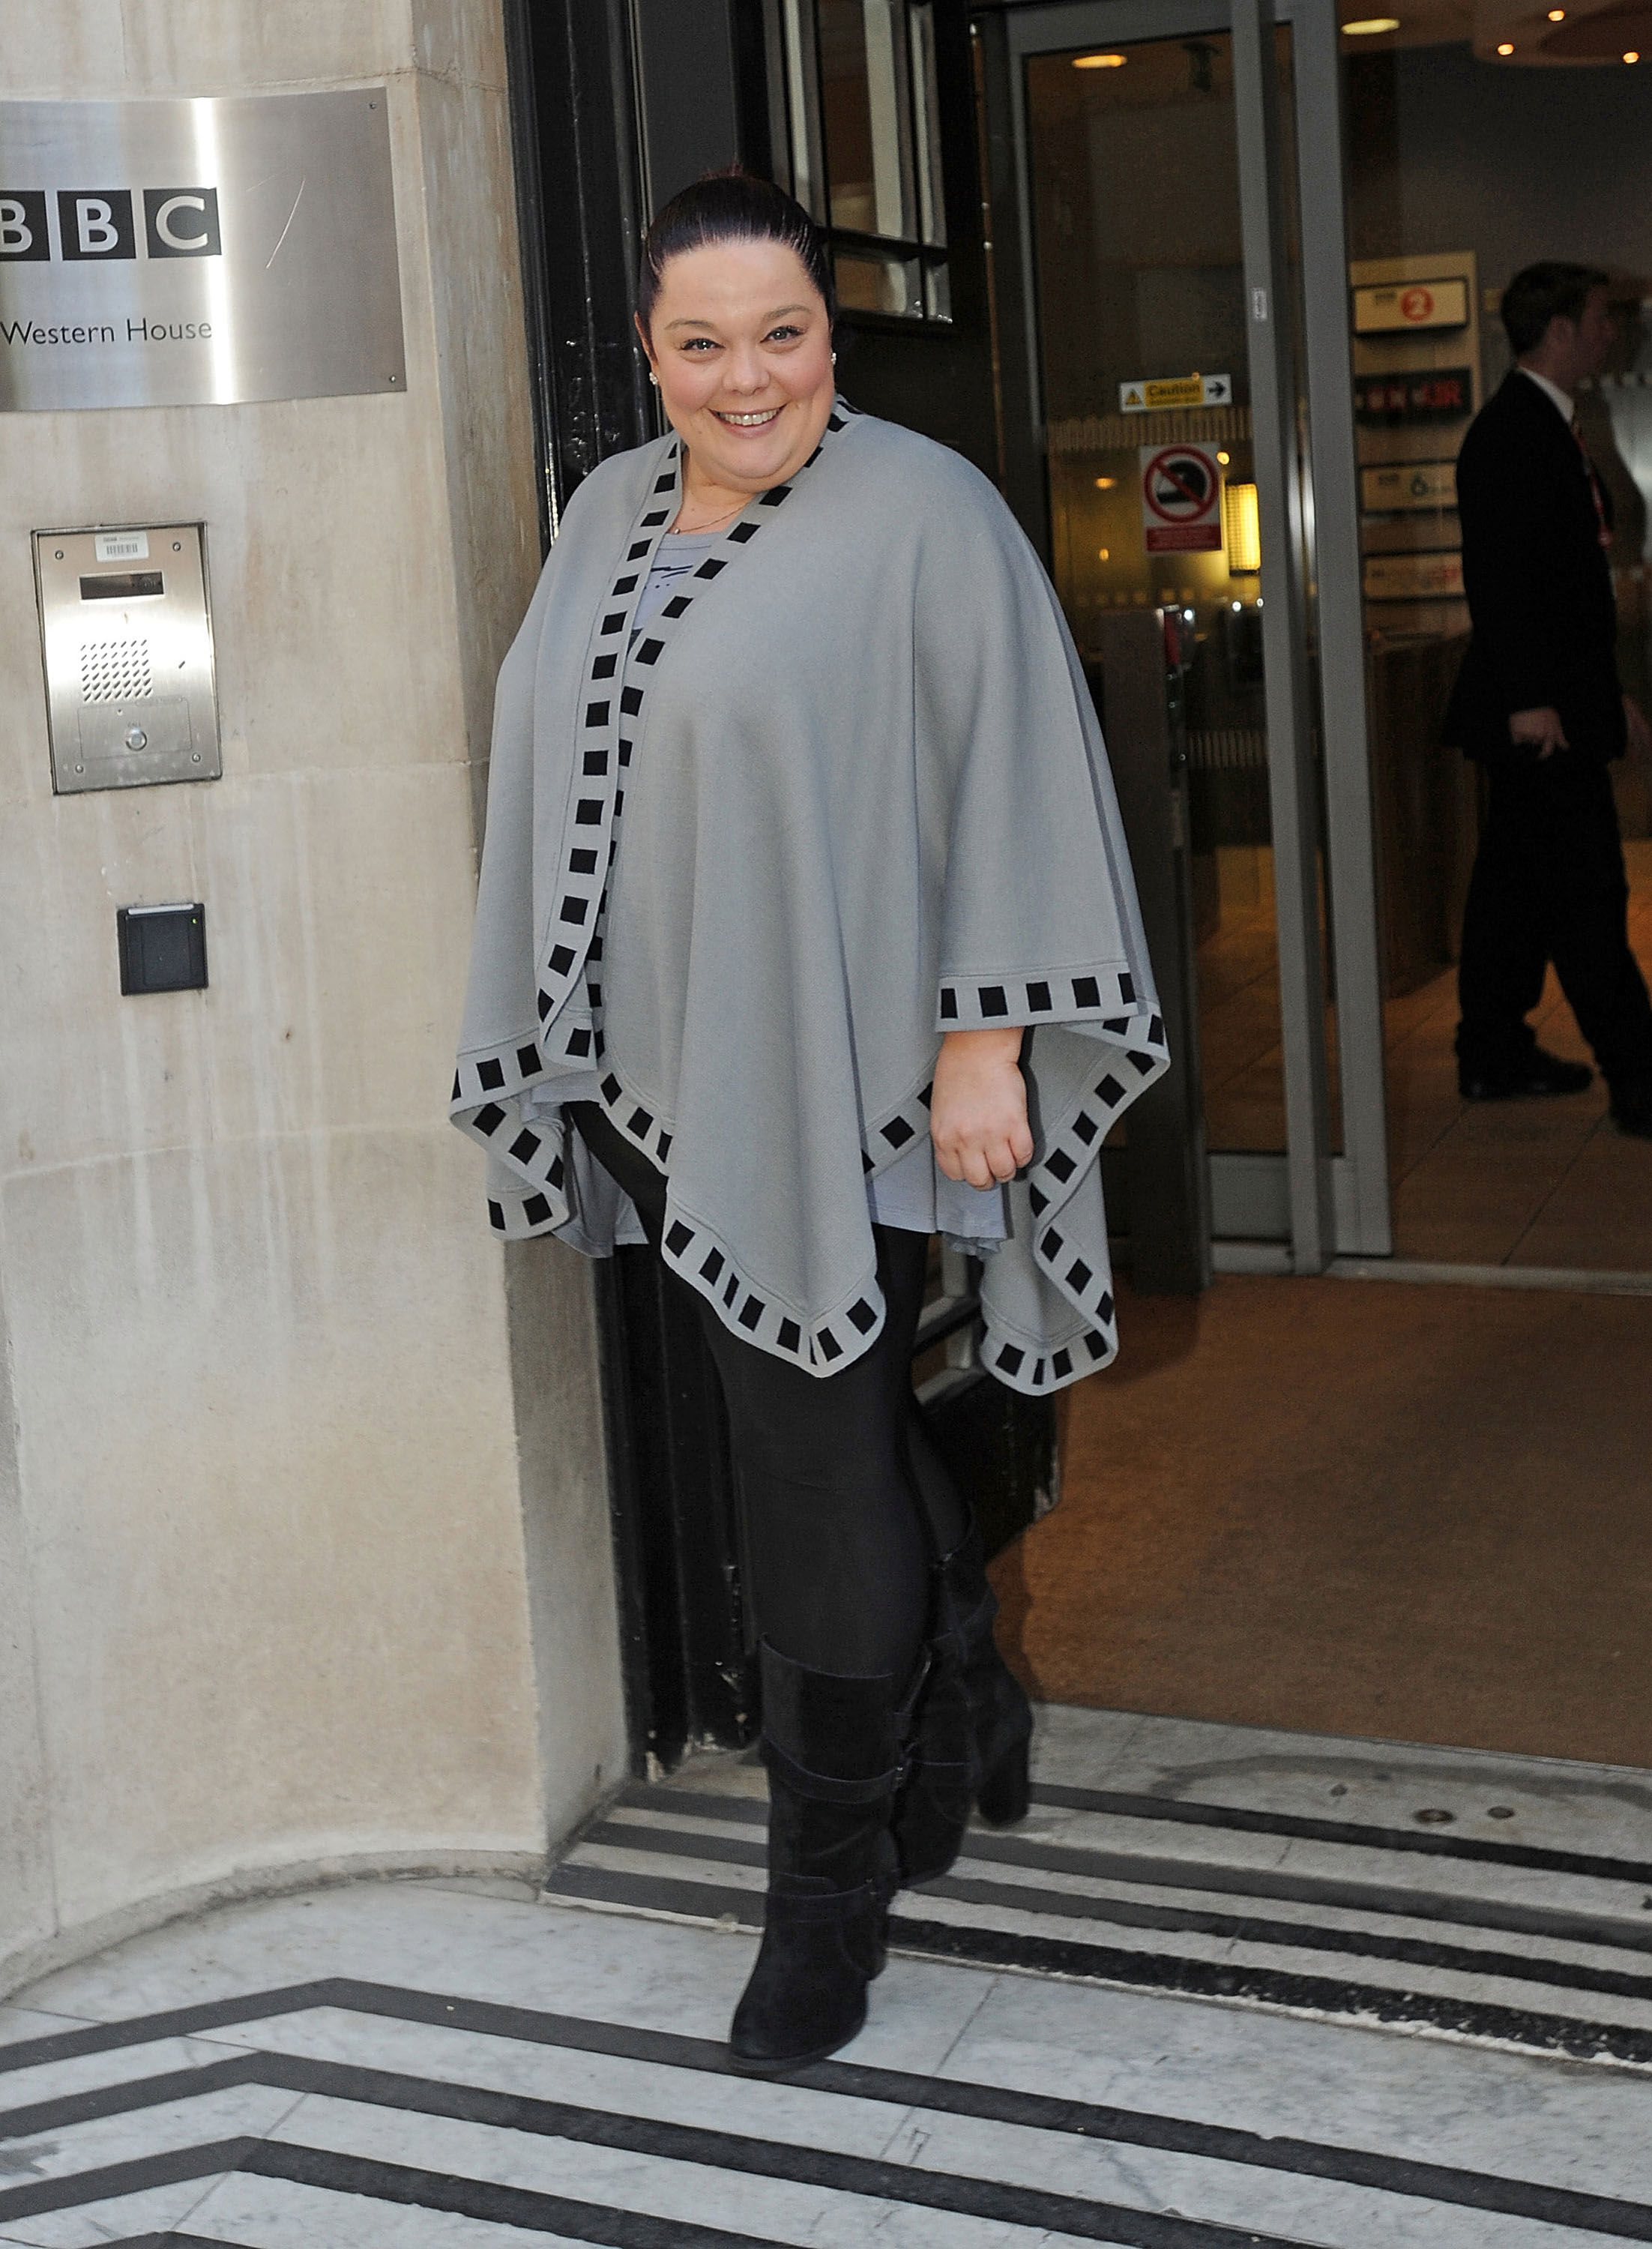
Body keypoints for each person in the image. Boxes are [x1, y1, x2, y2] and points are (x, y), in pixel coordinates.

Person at [450, 170, 1166, 2074]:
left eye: (781, 333)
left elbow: (1011, 761)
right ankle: (955, 1672)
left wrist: (985, 1040)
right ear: (648, 350)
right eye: (701, 343)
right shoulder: (604, 509)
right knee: (822, 1425)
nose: (745, 376)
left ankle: (823, 1907)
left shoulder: (924, 509)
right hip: (647, 1070)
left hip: (845, 1072)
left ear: (830, 334)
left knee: (805, 1460)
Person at [1444, 260, 1652, 1134]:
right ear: (1559, 330)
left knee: (1512, 891)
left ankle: (1490, 1052)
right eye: (1599, 318)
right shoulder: (1511, 434)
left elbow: (1557, 588)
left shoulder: (1542, 426)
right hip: (1536, 716)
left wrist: (1604, 693)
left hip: (1553, 703)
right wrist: (1533, 699)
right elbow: (1500, 581)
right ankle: (1637, 1077)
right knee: (1584, 894)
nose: (1610, 333)